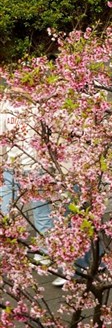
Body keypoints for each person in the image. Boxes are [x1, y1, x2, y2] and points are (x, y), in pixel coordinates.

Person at [0, 90, 53, 265]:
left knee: (42, 212)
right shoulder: (5, 106)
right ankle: (8, 249)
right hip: (10, 166)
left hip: (35, 167)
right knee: (5, 209)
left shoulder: (38, 107)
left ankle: (45, 252)